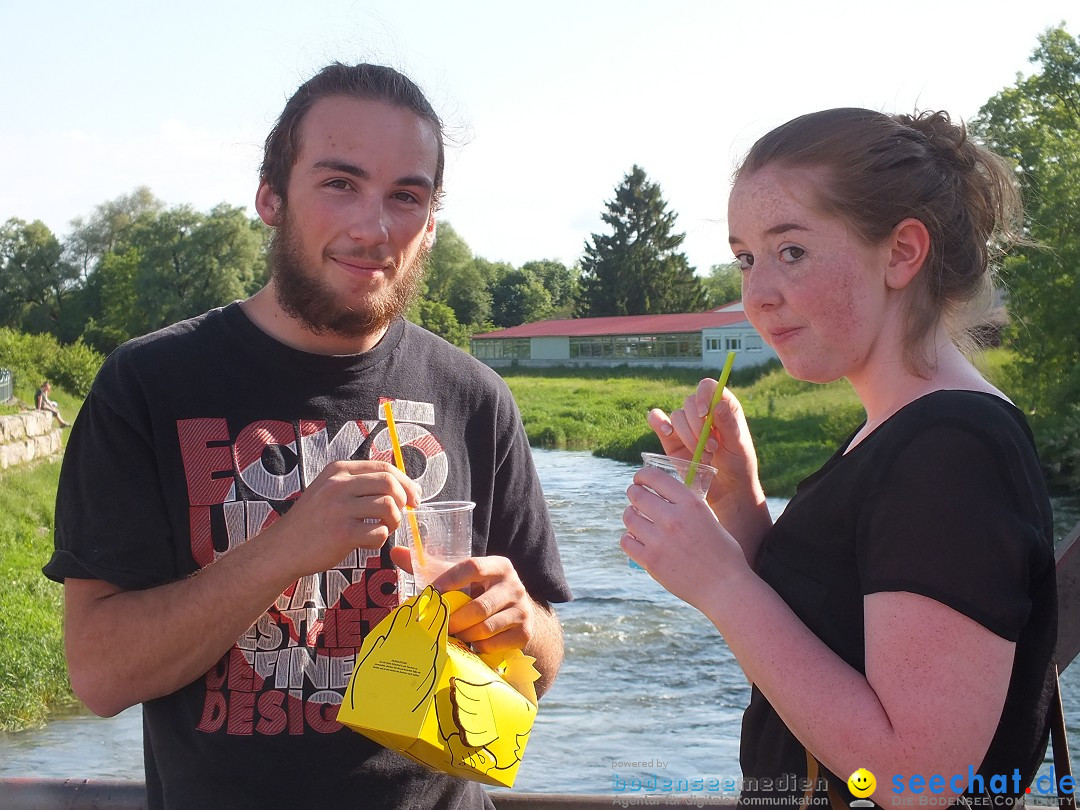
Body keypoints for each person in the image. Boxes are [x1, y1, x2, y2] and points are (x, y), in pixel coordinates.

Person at [44, 62, 571, 810]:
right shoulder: (149, 386)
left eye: (406, 197)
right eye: (339, 183)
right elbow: (98, 676)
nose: (374, 226)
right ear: (270, 197)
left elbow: (543, 660)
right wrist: (283, 551)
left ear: (430, 224)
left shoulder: (474, 397)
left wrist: (525, 628)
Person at [621, 108, 1056, 808]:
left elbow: (918, 780)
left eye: (790, 251)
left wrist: (721, 585)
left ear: (902, 253)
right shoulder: (900, 432)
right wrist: (740, 499)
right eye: (745, 258)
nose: (756, 293)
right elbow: (823, 639)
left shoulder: (952, 453)